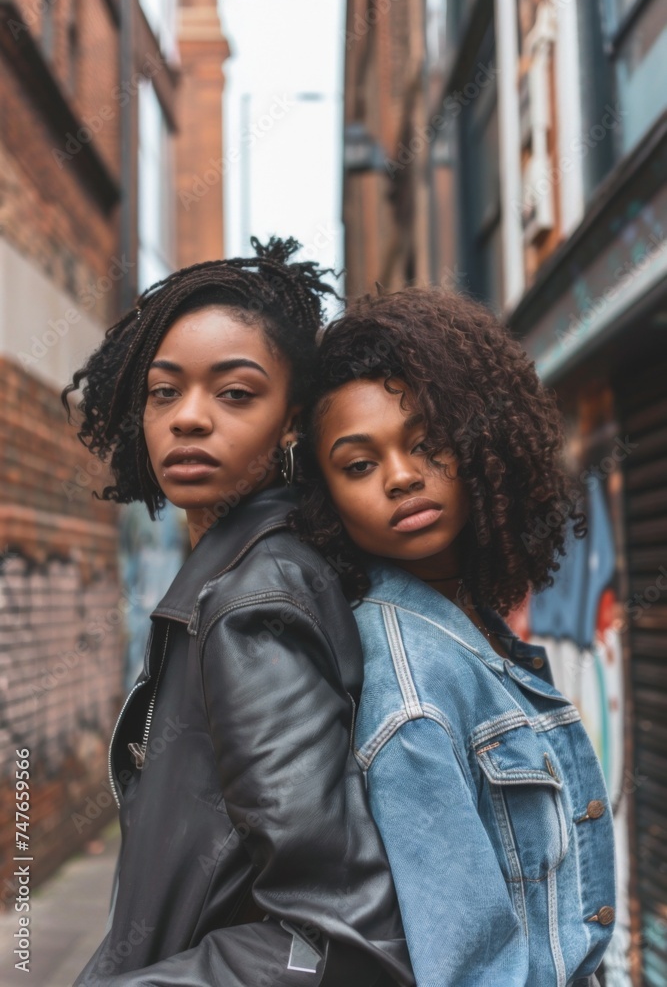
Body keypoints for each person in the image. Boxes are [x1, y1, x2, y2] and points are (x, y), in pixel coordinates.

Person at [62, 238, 414, 987]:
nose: (189, 418)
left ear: (292, 422)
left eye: (235, 393)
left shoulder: (254, 602)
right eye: (164, 392)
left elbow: (333, 938)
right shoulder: (232, 576)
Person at [292, 286, 616, 987]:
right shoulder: (409, 685)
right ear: (325, 495)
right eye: (358, 464)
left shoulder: (470, 626)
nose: (402, 477)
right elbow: (468, 967)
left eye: (426, 443)